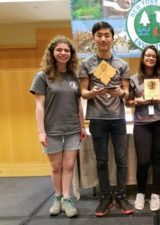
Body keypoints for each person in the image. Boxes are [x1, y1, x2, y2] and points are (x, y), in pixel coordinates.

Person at [78, 21, 134, 217]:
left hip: (118, 118)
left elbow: (127, 93)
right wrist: (91, 93)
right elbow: (83, 93)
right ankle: (104, 197)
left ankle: (120, 195)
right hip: (97, 118)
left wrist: (121, 92)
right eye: (99, 35)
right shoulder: (86, 64)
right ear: (94, 38)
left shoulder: (122, 64)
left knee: (122, 159)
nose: (103, 39)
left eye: (106, 35)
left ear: (112, 38)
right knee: (101, 161)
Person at [30, 35, 87, 218]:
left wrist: (82, 126)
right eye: (59, 50)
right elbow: (39, 106)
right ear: (52, 53)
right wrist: (41, 131)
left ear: (71, 54)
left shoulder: (74, 77)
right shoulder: (43, 77)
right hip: (52, 129)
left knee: (69, 166)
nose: (63, 53)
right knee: (56, 167)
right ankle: (57, 196)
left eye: (67, 50)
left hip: (72, 129)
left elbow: (78, 105)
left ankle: (67, 199)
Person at [126, 45, 160, 211]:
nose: (150, 58)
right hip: (141, 123)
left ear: (157, 59)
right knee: (143, 160)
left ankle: (155, 194)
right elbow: (127, 101)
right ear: (143, 58)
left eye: (153, 56)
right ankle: (140, 193)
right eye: (147, 55)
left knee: (158, 158)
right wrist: (138, 101)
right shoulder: (134, 79)